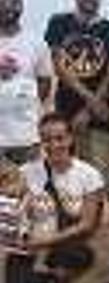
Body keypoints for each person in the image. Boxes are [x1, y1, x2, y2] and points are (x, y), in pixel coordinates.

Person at [4, 113, 104, 283]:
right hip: (28, 246)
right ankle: (47, 279)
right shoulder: (26, 172)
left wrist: (47, 240)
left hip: (63, 244)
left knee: (81, 255)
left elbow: (87, 224)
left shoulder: (89, 175)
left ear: (71, 139)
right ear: (41, 142)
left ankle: (60, 277)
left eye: (59, 138)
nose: (54, 145)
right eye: (47, 140)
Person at [44, 0, 109, 178]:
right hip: (66, 117)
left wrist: (88, 111)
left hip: (101, 120)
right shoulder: (58, 23)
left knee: (100, 180)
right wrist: (91, 101)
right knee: (65, 181)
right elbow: (59, 67)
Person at [0, 0, 53, 167]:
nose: (8, 7)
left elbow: (45, 82)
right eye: (3, 2)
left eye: (14, 2)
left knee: (29, 189)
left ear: (21, 6)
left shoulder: (37, 42)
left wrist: (24, 103)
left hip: (27, 137)